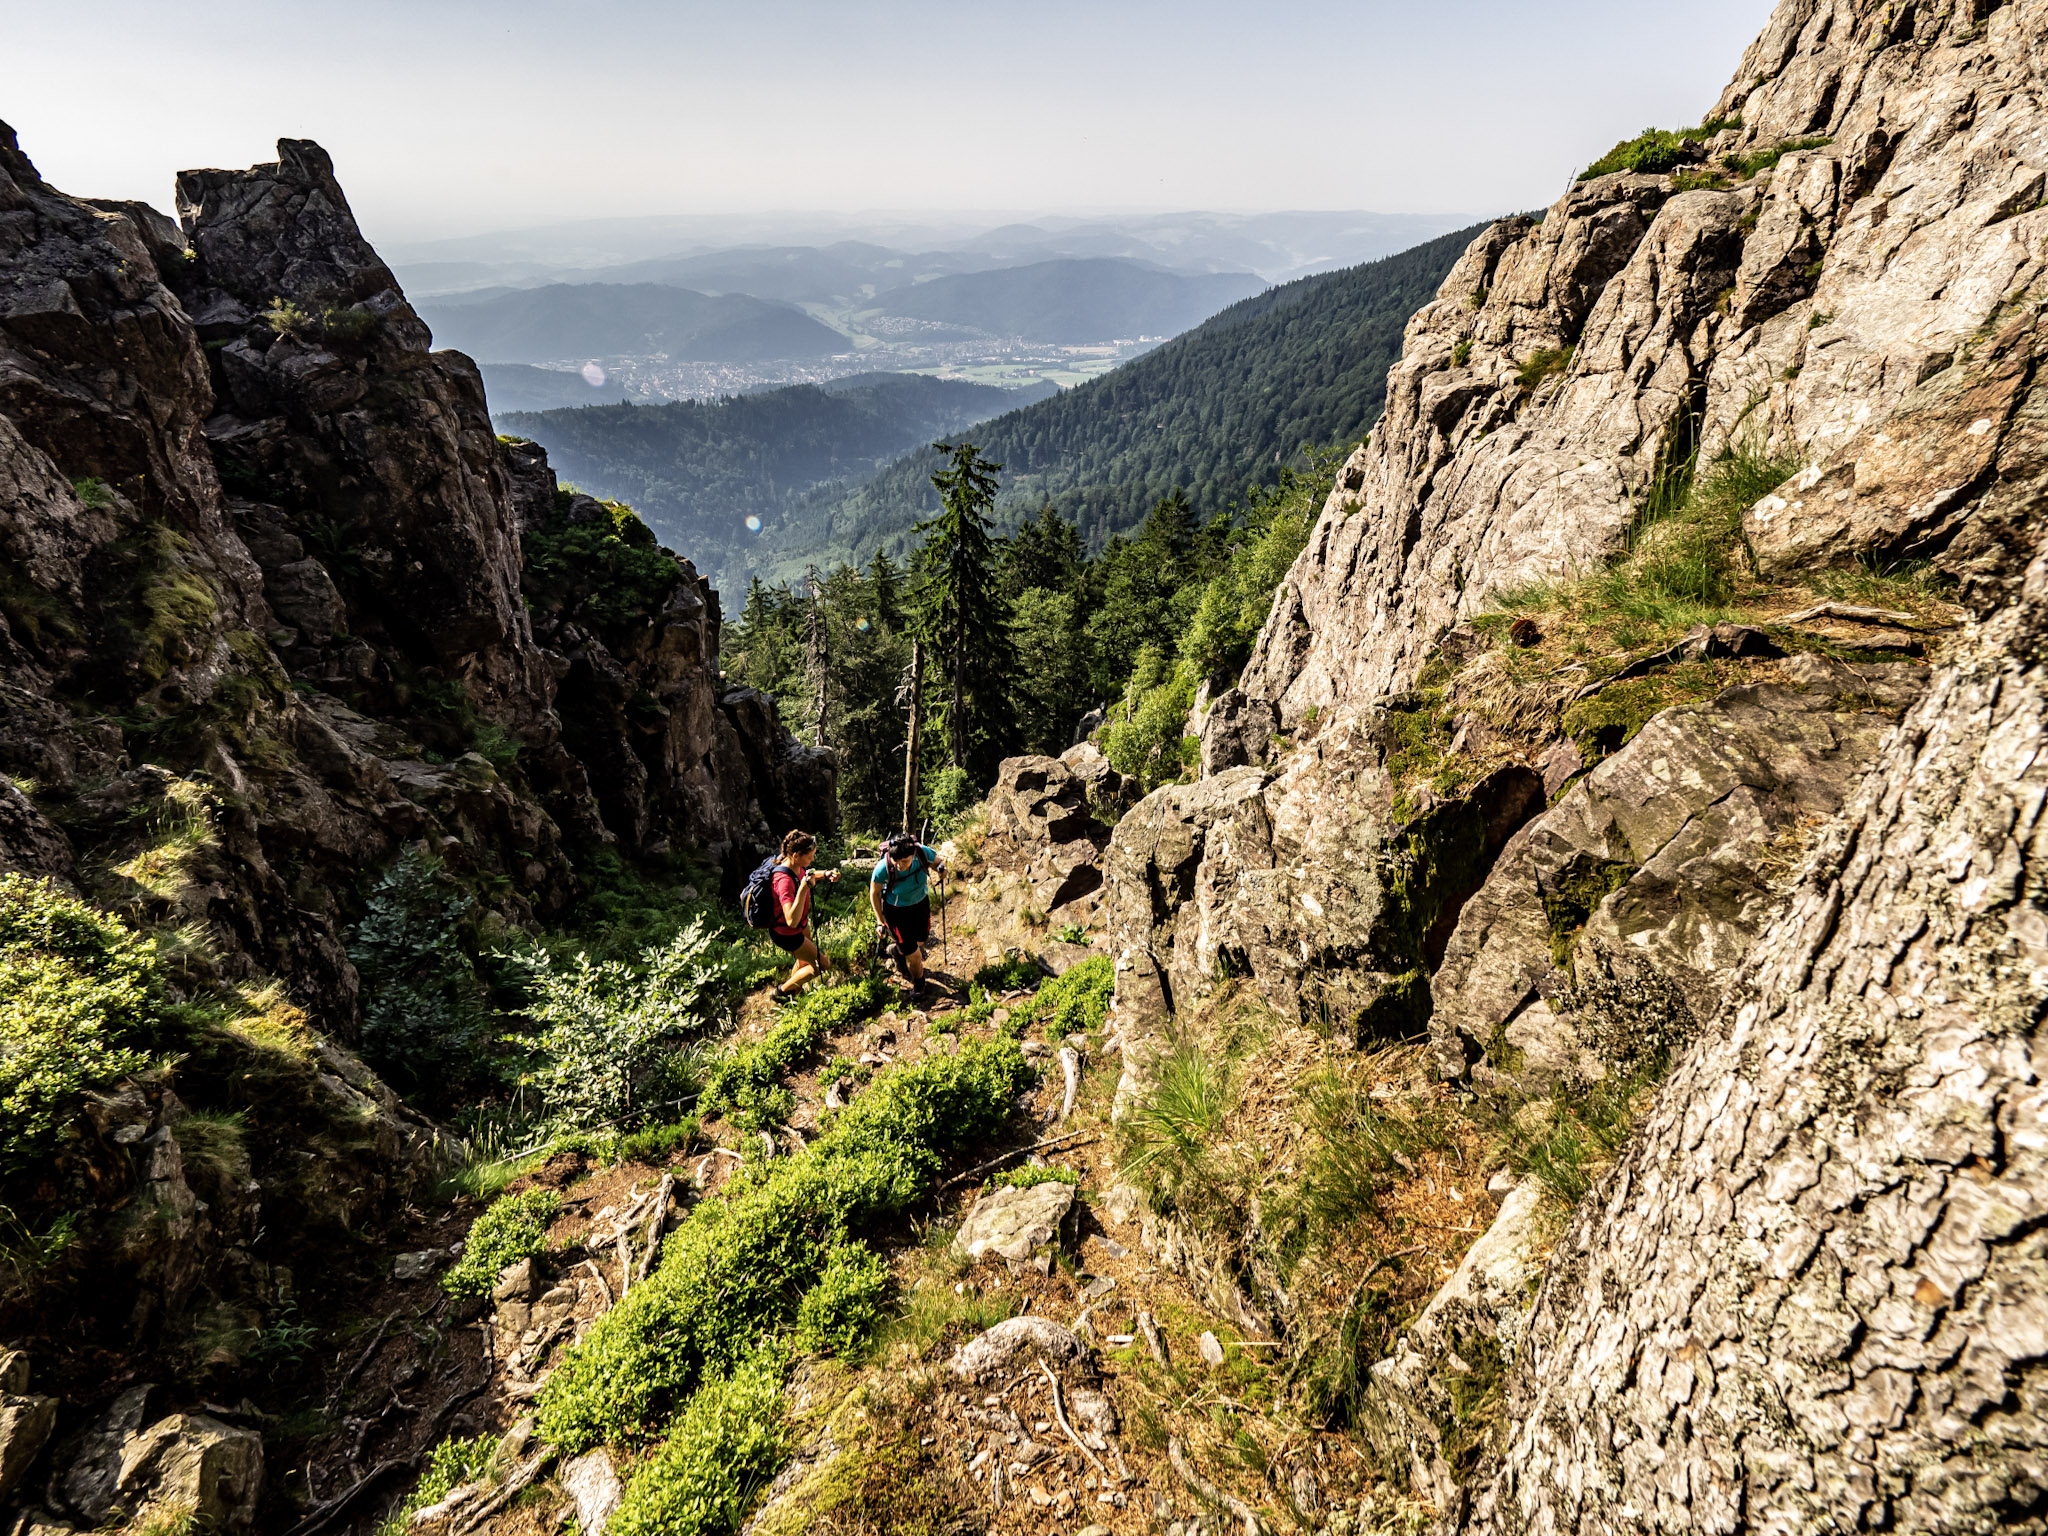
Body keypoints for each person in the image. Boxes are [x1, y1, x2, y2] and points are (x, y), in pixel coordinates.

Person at [870, 833, 945, 1003]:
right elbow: (874, 894)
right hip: (896, 913)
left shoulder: (921, 853)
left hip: (920, 905)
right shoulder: (883, 868)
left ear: (912, 855)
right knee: (914, 955)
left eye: (905, 861)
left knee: (921, 940)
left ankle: (897, 951)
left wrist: (942, 869)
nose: (900, 866)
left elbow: (938, 862)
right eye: (897, 862)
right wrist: (880, 921)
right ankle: (919, 985)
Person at [769, 830, 838, 998]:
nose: (812, 860)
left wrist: (826, 874)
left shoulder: (795, 865)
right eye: (810, 856)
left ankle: (794, 991)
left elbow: (808, 874)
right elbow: (791, 920)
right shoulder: (783, 881)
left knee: (804, 961)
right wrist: (803, 888)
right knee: (822, 965)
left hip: (800, 927)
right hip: (788, 933)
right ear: (796, 855)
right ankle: (781, 992)